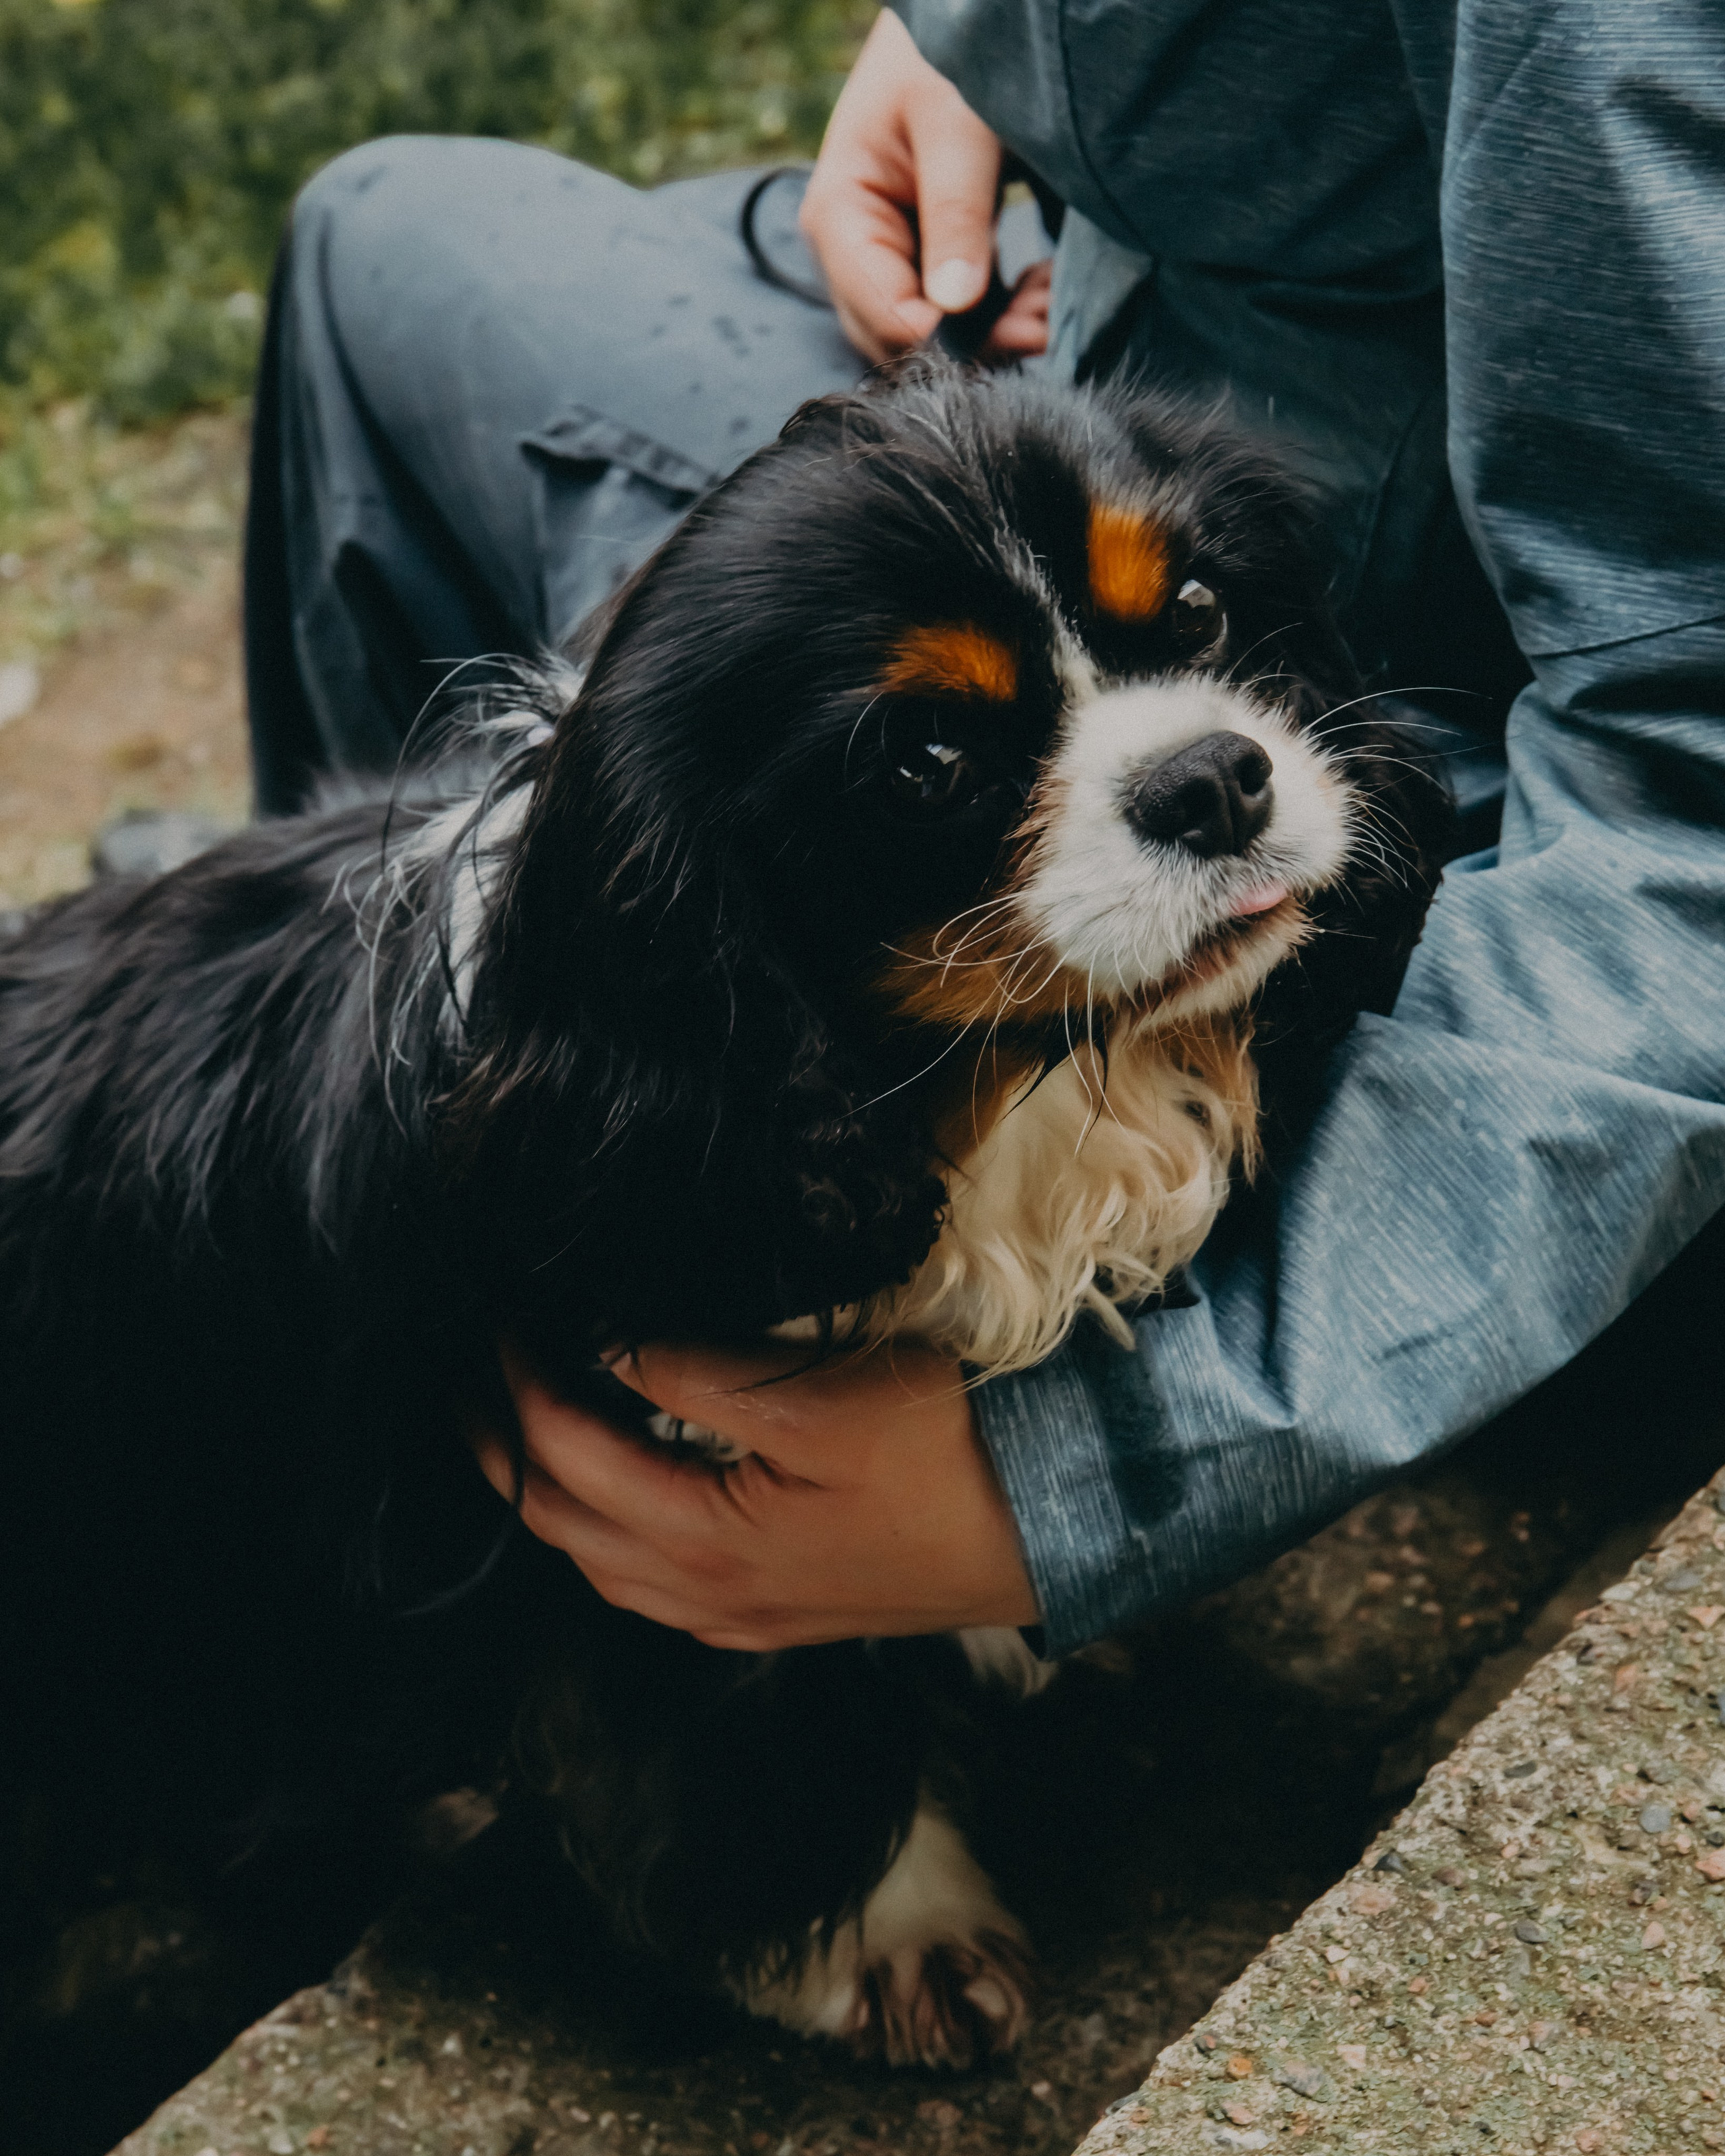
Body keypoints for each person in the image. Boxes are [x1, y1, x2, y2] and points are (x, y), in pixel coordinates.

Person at [246, 1, 1725, 1659]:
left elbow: (1698, 760)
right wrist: (1000, 57)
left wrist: (1090, 1470)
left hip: (1415, 693)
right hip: (1091, 378)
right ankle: (373, 1033)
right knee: (370, 238)